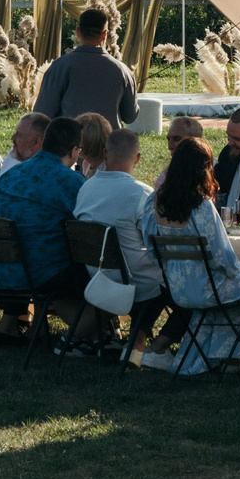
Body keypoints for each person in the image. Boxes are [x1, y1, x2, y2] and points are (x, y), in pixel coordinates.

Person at [143, 139, 240, 374]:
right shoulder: (201, 206)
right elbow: (220, 255)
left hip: (177, 289)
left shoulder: (153, 201)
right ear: (204, 169)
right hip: (208, 289)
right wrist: (236, 269)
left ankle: (230, 356)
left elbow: (152, 248)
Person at [0, 115, 90, 342]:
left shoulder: (10, 176)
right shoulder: (71, 182)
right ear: (74, 151)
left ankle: (37, 326)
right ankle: (95, 333)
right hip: (41, 274)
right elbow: (89, 227)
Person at [74, 126, 159, 356]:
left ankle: (136, 341)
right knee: (170, 279)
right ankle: (141, 342)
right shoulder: (141, 193)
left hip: (95, 273)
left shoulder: (85, 188)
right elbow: (154, 239)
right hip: (133, 280)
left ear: (105, 154)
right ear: (137, 158)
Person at [33, 5, 140, 127]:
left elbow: (42, 113)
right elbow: (130, 116)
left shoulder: (59, 67)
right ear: (105, 34)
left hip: (70, 138)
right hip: (109, 138)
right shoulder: (123, 71)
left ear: (78, 32)